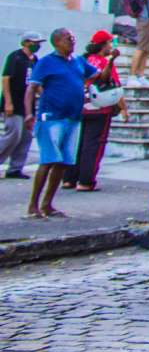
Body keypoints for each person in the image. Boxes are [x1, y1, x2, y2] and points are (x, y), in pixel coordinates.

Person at [25, 29, 97, 218]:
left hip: (72, 117)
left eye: (73, 38)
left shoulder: (78, 61)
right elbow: (31, 88)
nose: (72, 41)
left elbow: (97, 75)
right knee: (49, 160)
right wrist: (29, 113)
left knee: (63, 162)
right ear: (57, 42)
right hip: (51, 116)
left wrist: (111, 60)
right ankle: (33, 205)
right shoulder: (46, 62)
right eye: (68, 38)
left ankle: (47, 203)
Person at [67, 31, 124, 191]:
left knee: (78, 143)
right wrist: (123, 108)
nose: (110, 46)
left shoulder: (82, 60)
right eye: (109, 43)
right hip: (100, 107)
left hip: (81, 106)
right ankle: (86, 180)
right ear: (103, 45)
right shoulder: (103, 62)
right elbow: (112, 84)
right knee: (94, 145)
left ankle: (69, 178)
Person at [1, 31, 42, 178]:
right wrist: (8, 102)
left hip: (28, 105)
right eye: (34, 42)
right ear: (26, 42)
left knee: (26, 136)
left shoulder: (35, 60)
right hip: (15, 102)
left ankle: (15, 168)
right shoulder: (15, 57)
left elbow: (36, 83)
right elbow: (6, 79)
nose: (37, 45)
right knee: (13, 134)